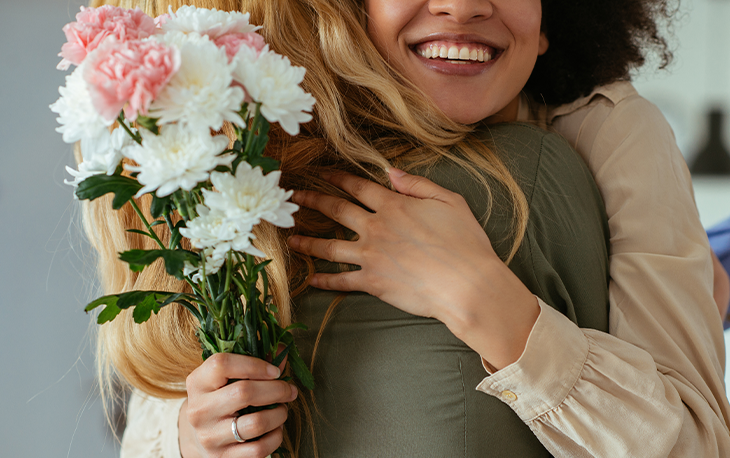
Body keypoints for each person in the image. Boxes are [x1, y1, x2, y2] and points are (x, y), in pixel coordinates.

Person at [80, 0, 730, 457]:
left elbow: (698, 445)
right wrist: (196, 437)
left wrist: (479, 295)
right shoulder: (261, 149)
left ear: (549, 19)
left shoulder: (609, 132)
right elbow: (153, 431)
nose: (463, 6)